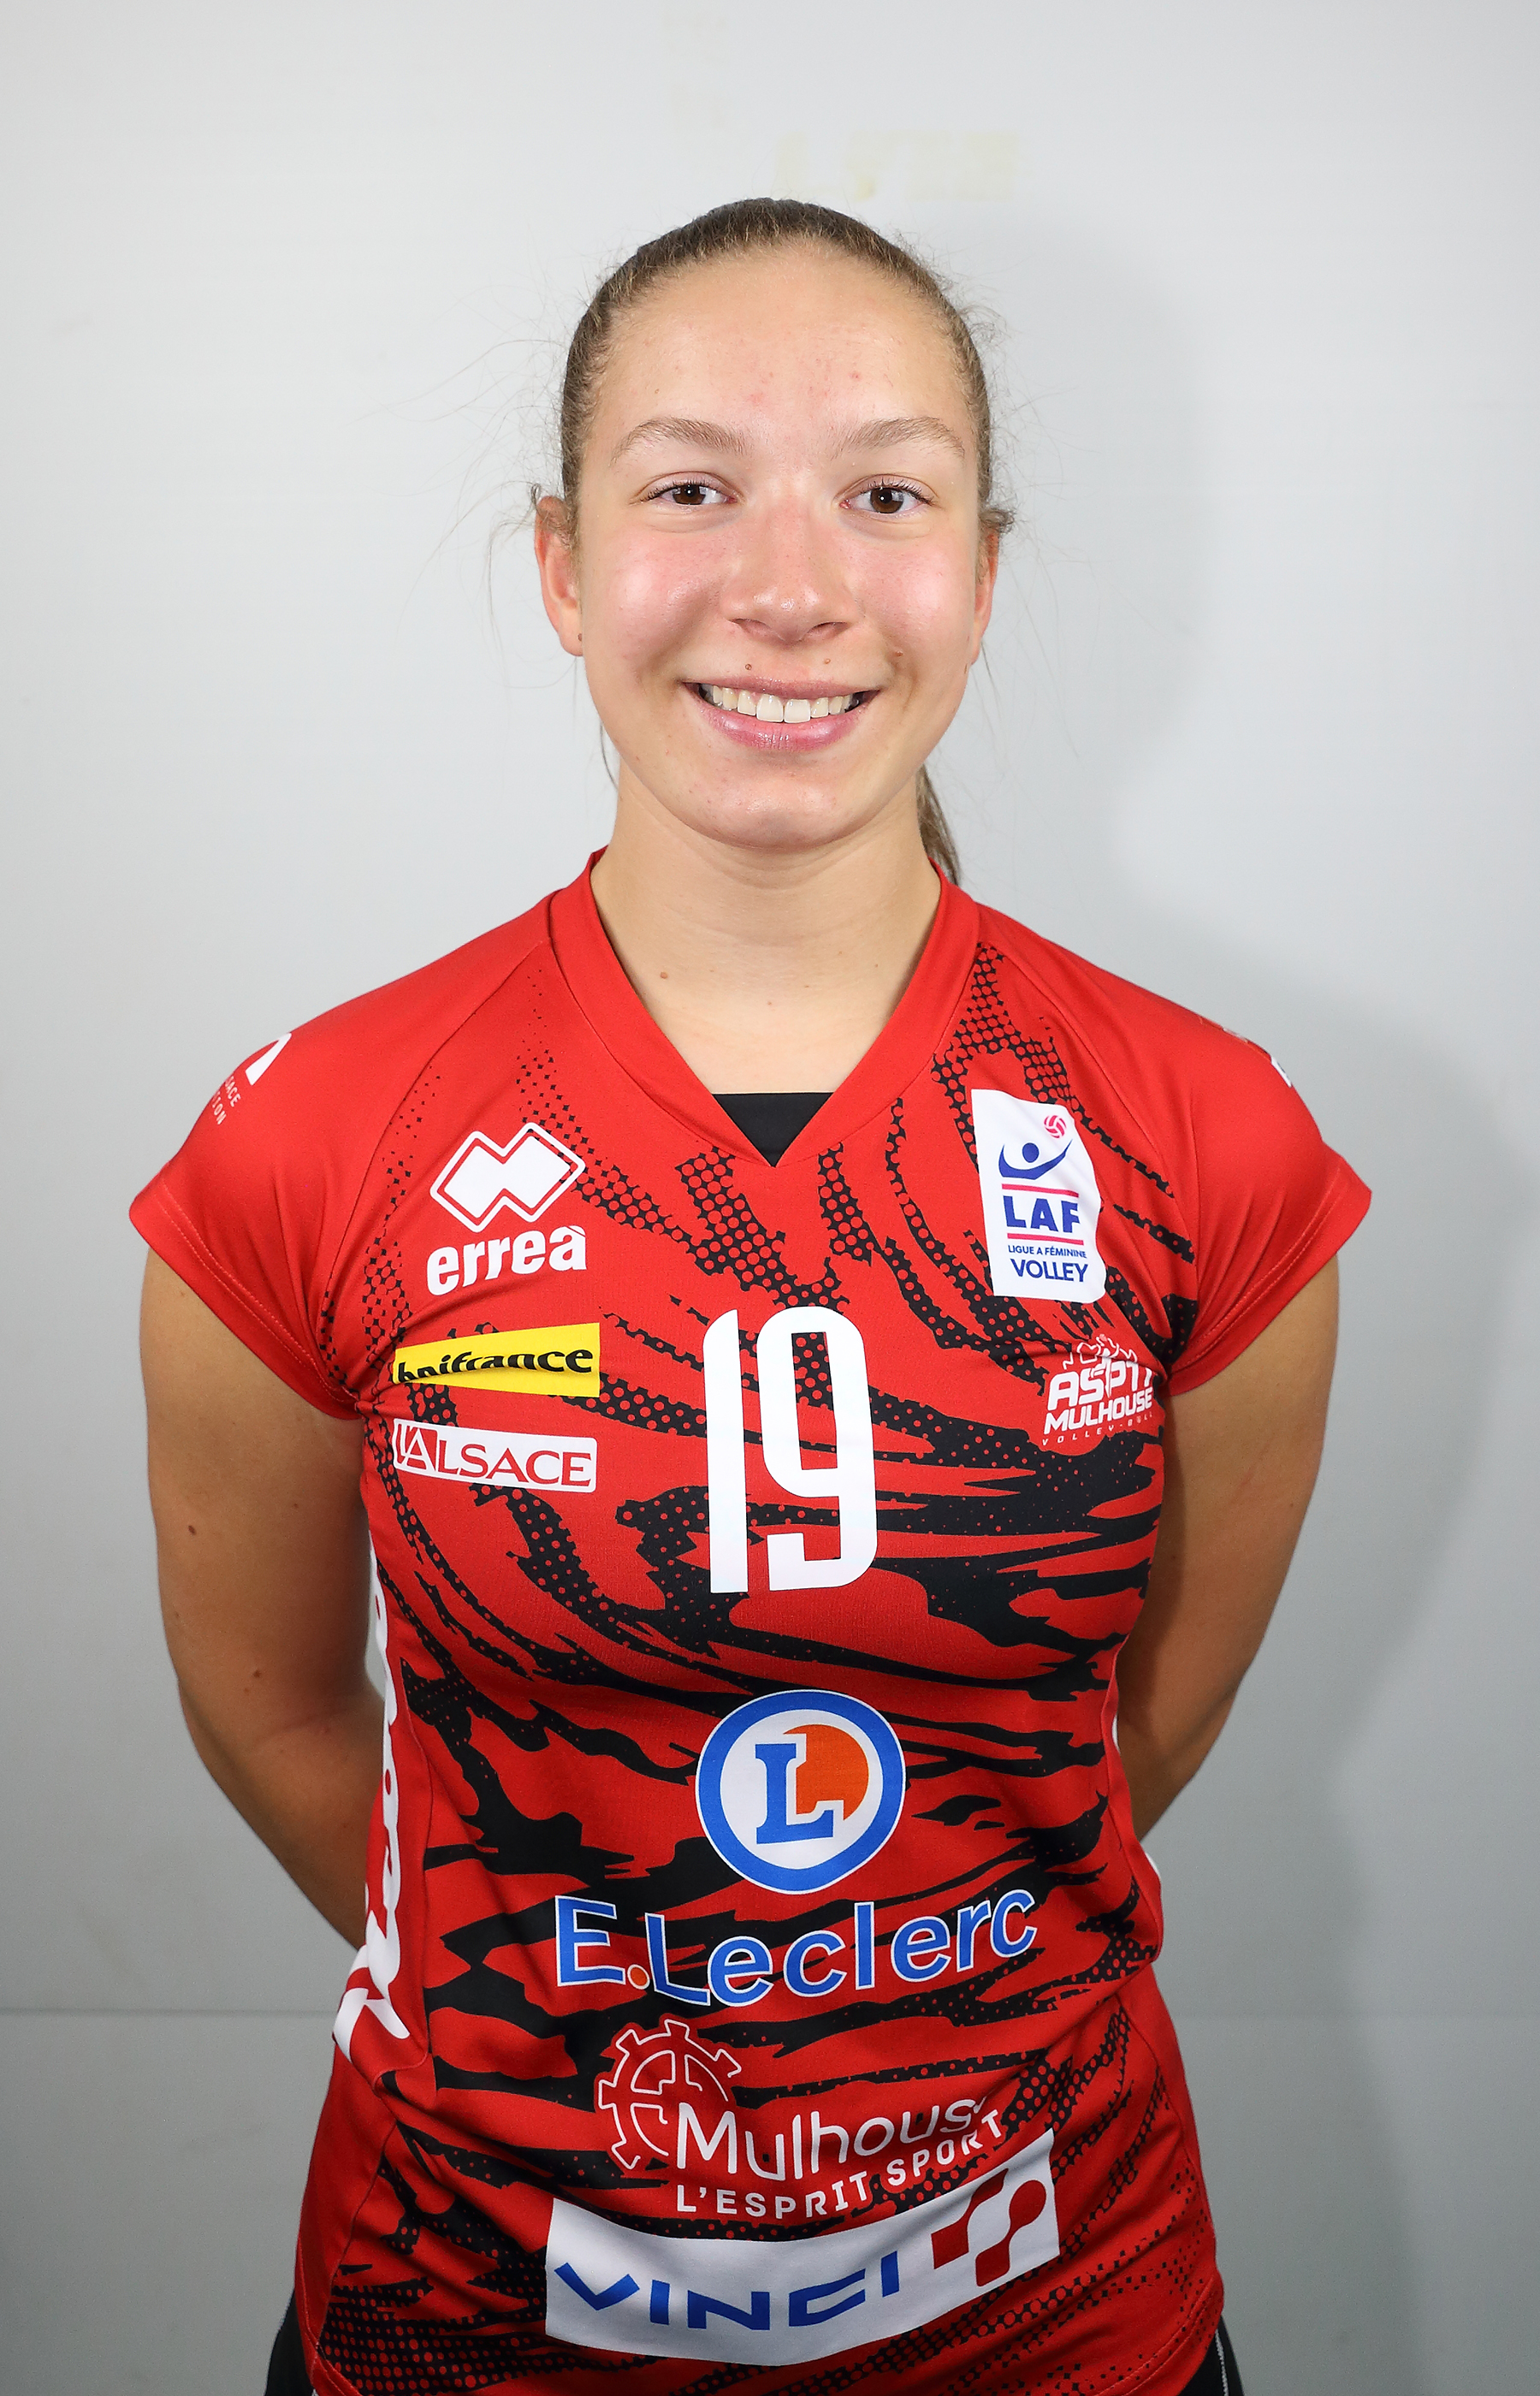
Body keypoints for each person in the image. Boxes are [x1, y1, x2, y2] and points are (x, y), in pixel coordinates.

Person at [134, 199, 1367, 2396]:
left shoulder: (1208, 1135)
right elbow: (277, 1714)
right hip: (463, 2317)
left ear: (980, 573)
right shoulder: (315, 1135)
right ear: (560, 564)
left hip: (1060, 2318)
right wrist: (571, 2016)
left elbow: (1125, 1739)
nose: (790, 586)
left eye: (885, 495)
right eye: (690, 487)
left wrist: (867, 2014)